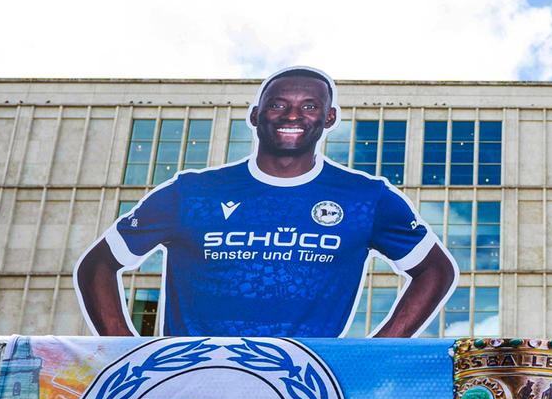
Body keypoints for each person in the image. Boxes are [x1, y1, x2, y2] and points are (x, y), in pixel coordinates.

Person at [74, 66, 456, 337]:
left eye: (309, 106)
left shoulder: (366, 197)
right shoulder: (192, 191)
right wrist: (124, 350)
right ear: (256, 115)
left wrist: (376, 353)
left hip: (305, 391)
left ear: (329, 118)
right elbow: (98, 265)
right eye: (278, 104)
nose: (293, 114)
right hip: (187, 383)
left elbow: (436, 270)